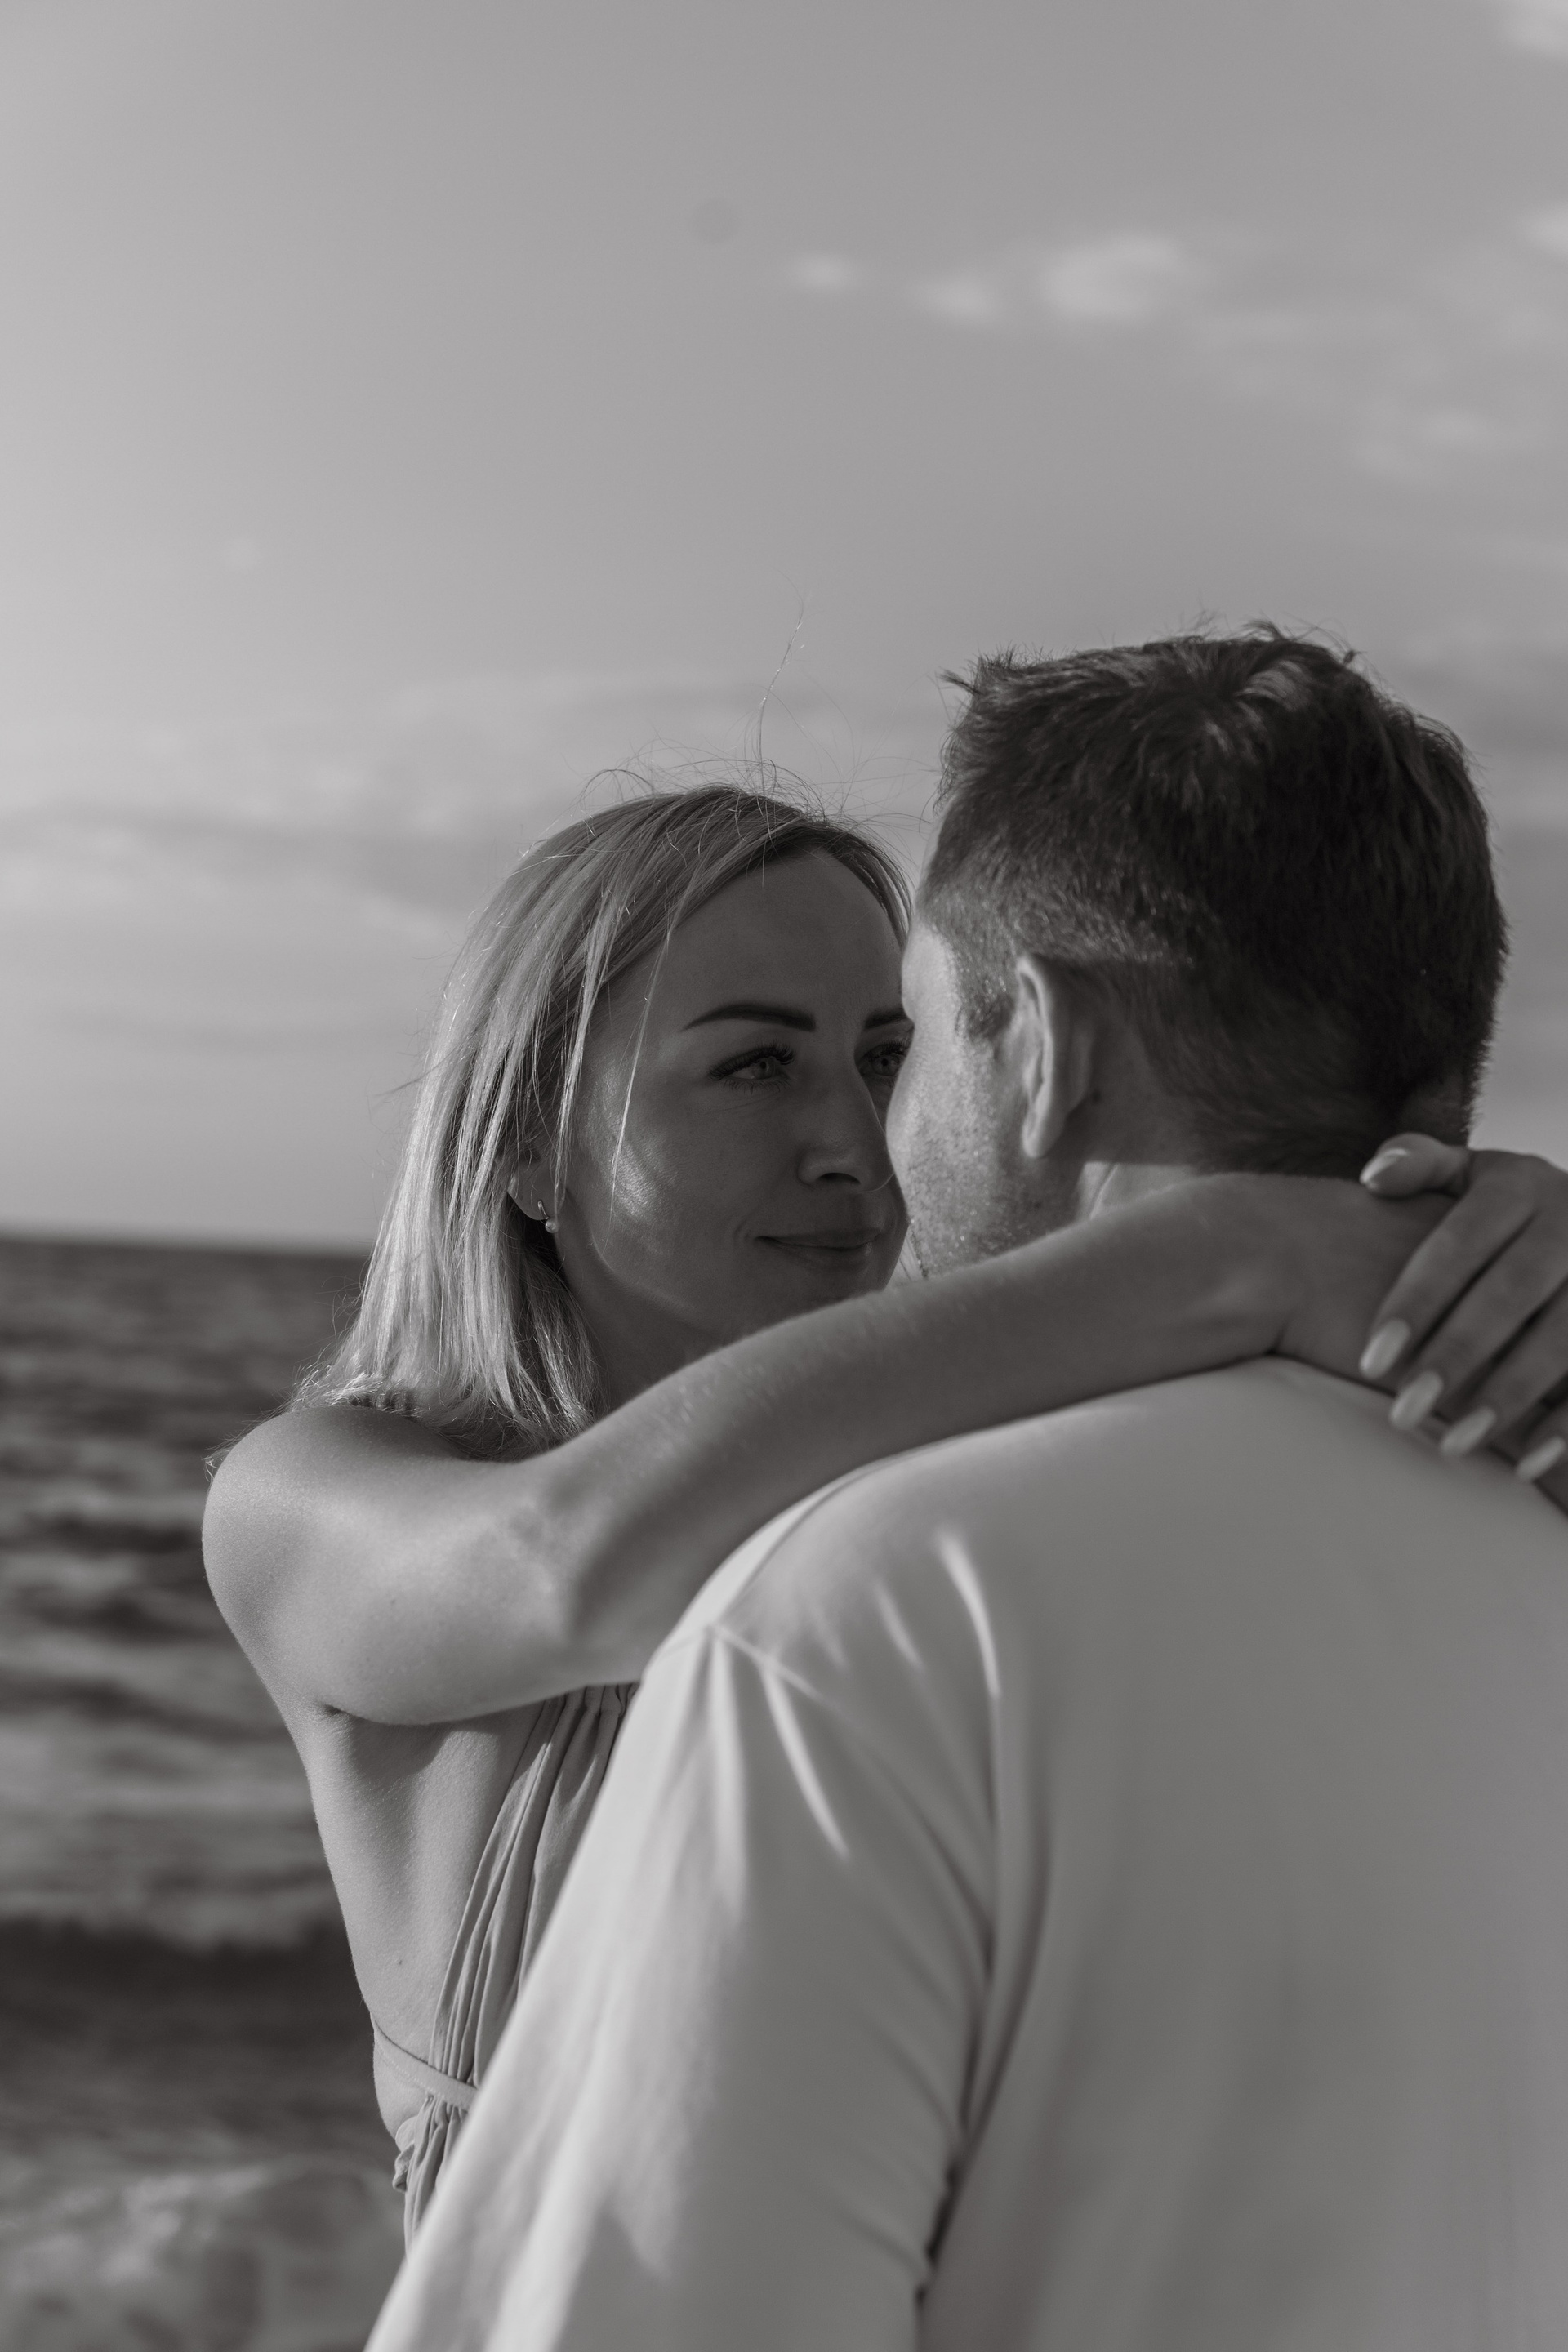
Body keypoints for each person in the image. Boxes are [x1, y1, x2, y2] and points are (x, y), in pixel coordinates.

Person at [368, 631, 1568, 2352]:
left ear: (1042, 1053)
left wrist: (1445, 1278)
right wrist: (1249, 1237)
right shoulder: (340, 1490)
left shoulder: (908, 1557)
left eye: (892, 1049)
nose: (856, 1136)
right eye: (754, 1064)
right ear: (522, 1145)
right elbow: (562, 1569)